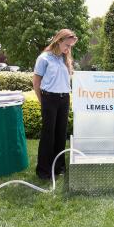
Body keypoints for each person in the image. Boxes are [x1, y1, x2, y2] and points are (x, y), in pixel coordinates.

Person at [33, 29, 78, 179]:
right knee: (48, 135)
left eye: (70, 46)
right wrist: (43, 102)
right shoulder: (44, 58)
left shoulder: (65, 59)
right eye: (66, 45)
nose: (68, 48)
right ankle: (44, 171)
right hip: (49, 99)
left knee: (60, 134)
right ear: (58, 41)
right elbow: (36, 83)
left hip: (64, 99)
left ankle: (59, 167)